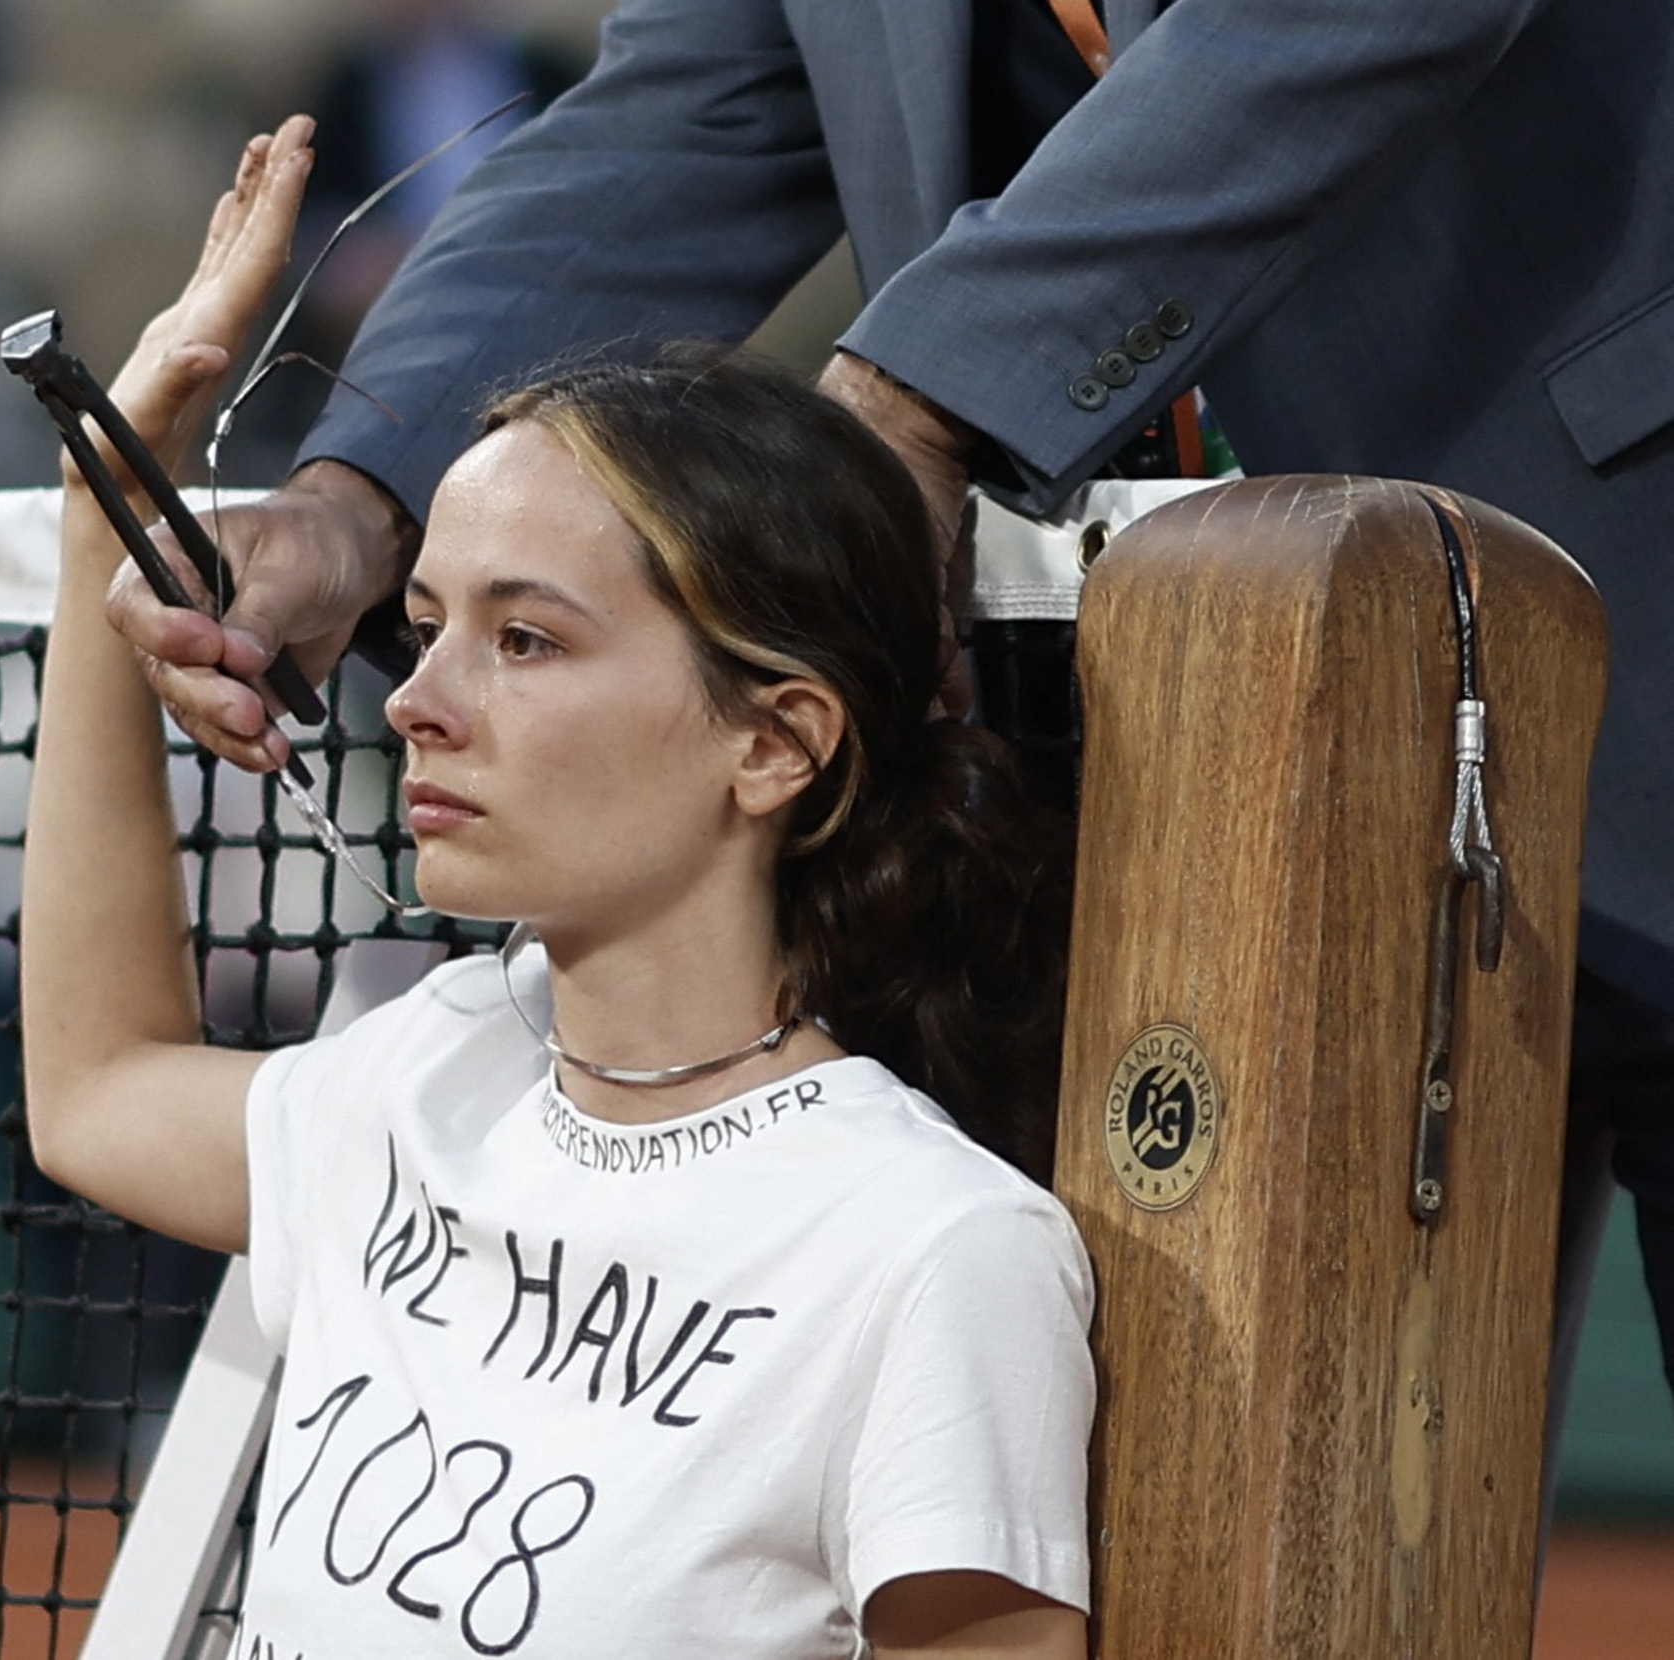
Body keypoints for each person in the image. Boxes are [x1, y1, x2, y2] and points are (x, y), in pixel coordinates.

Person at [106, 0, 1674, 1419]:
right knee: (1233, 1556)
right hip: (1163, 785)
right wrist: (359, 500)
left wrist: (919, 394)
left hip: (1626, 612)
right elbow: (699, 102)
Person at [22, 118, 1092, 1658]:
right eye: (433, 619)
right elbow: (94, 1086)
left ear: (776, 741)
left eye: (525, 641)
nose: (415, 697)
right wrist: (94, 524)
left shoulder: (936, 1250)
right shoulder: (429, 1064)